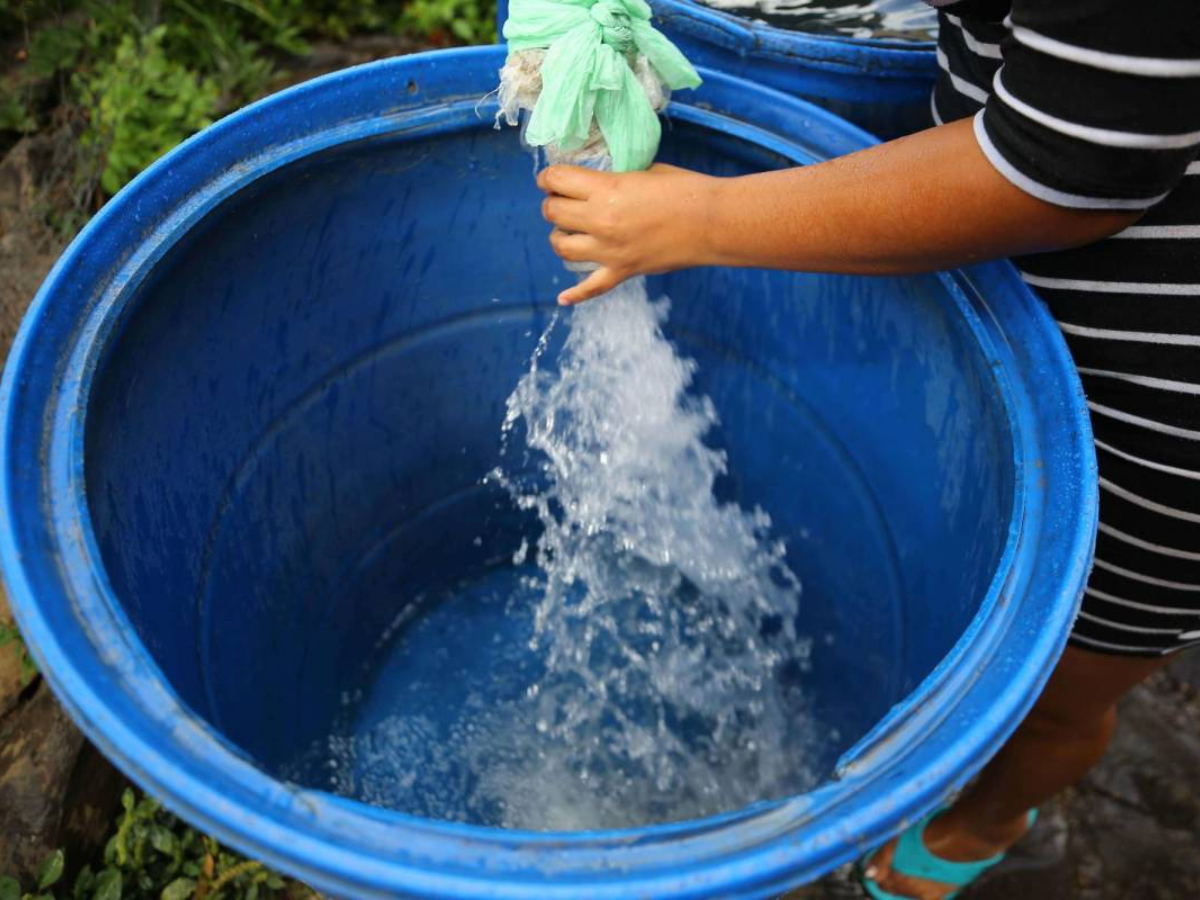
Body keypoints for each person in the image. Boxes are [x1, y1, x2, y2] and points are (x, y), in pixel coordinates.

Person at [534, 1, 1200, 897]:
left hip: (1160, 403)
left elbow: (1066, 167)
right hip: (1002, 273)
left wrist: (708, 219)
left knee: (1065, 684)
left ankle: (986, 825)